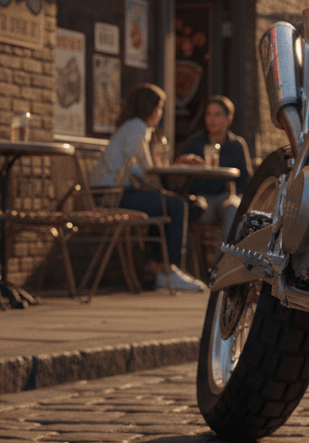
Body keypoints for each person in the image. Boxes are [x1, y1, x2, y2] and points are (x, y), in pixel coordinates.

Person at [91, 82, 204, 292]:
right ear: (149, 108)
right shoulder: (137, 127)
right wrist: (165, 173)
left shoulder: (132, 126)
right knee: (176, 205)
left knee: (166, 203)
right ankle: (168, 271)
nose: (160, 113)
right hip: (112, 195)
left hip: (107, 192)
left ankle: (156, 268)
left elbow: (139, 169)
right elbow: (140, 169)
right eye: (159, 107)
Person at [176, 95, 252, 227]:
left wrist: (236, 196)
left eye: (217, 115)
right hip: (201, 198)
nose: (212, 119)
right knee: (200, 210)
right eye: (208, 114)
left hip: (225, 197)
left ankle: (226, 248)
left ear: (229, 119)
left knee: (233, 208)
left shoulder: (237, 145)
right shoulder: (194, 143)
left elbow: (245, 179)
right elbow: (179, 175)